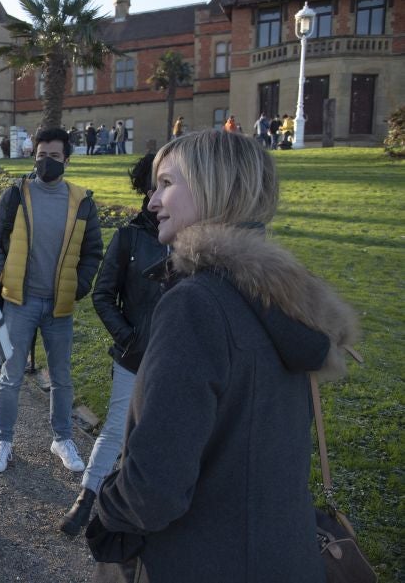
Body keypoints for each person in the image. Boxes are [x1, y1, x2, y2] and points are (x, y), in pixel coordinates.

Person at [88, 129, 359, 582]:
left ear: (214, 188)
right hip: (281, 556)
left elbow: (154, 486)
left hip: (198, 560)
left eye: (166, 184)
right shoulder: (279, 300)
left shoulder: (197, 303)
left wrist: (106, 513)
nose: (152, 202)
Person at [0, 127, 103, 474]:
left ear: (66, 158)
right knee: (11, 376)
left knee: (62, 377)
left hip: (59, 305)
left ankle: (62, 437)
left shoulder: (82, 201)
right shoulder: (17, 194)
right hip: (19, 301)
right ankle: (3, 440)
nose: (46, 162)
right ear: (33, 156)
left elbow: (93, 251)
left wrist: (79, 285)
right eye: (41, 156)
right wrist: (1, 272)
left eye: (53, 156)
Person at [59, 151, 167, 536]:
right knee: (117, 429)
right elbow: (103, 295)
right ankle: (86, 499)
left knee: (164, 433)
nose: (160, 196)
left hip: (177, 360)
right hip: (133, 355)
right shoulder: (129, 237)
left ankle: (140, 508)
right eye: (156, 185)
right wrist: (128, 337)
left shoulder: (196, 239)